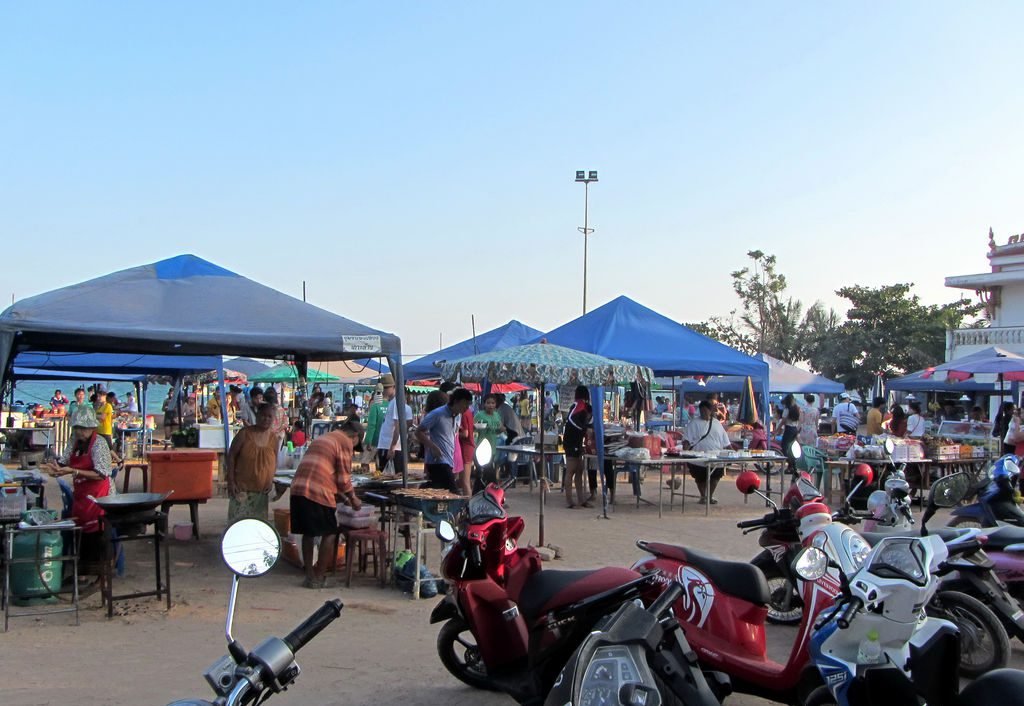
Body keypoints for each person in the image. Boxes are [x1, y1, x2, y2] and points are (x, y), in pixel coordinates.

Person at [289, 419, 363, 588]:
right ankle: (319, 576)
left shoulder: (325, 437)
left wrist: (344, 498)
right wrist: (353, 499)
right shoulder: (344, 442)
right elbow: (343, 479)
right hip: (317, 490)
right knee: (329, 532)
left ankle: (309, 576)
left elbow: (330, 474)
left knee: (308, 533)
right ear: (355, 436)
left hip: (299, 488)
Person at [42, 416, 113, 569]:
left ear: (92, 428)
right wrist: (56, 469)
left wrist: (74, 471)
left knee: (95, 530)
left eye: (83, 429)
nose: (79, 432)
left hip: (100, 495)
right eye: (77, 428)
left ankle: (96, 570)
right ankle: (81, 570)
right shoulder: (74, 440)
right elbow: (64, 461)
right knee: (80, 528)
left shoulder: (99, 443)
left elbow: (102, 473)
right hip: (82, 494)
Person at [225, 404, 278, 522]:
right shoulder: (244, 434)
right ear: (257, 416)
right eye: (263, 416)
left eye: (269, 417)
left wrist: (270, 480)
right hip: (241, 490)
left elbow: (275, 461)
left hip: (261, 492)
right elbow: (231, 456)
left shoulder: (274, 438)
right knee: (238, 524)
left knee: (258, 526)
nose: (266, 419)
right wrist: (231, 481)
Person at [416, 388, 473, 492]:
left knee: (440, 492)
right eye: (465, 404)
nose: (466, 408)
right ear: (456, 401)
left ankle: (426, 488)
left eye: (468, 405)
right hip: (437, 461)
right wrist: (433, 447)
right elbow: (418, 432)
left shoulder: (458, 416)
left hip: (449, 460)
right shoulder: (437, 414)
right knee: (453, 492)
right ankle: (425, 488)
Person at [683, 400, 732, 504]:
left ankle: (710, 496)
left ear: (710, 411)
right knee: (700, 478)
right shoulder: (694, 423)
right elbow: (686, 440)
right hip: (697, 458)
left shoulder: (717, 424)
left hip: (716, 457)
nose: (703, 413)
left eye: (705, 411)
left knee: (715, 477)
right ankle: (703, 496)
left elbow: (725, 441)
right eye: (701, 411)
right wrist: (685, 452)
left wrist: (731, 453)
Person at [562, 386, 594, 509]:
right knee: (571, 470)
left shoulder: (582, 406)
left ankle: (581, 500)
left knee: (579, 471)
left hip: (576, 441)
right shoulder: (579, 404)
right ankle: (570, 501)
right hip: (571, 441)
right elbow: (570, 418)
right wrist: (583, 428)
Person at [380, 382, 413, 477]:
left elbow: (398, 426)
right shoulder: (392, 402)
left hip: (391, 446)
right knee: (387, 476)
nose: (384, 390)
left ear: (394, 387)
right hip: (390, 444)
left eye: (387, 387)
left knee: (391, 477)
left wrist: (392, 447)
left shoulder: (396, 403)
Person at [364, 375, 394, 468]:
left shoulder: (375, 406)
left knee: (365, 462)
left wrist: (368, 440)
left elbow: (371, 425)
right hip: (386, 442)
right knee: (380, 466)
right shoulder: (392, 405)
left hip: (374, 441)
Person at [780, 394, 801, 472]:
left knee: (784, 447)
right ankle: (792, 466)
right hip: (794, 429)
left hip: (788, 429)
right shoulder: (796, 409)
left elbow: (783, 421)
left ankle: (791, 464)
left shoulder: (787, 409)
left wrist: (777, 430)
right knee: (792, 448)